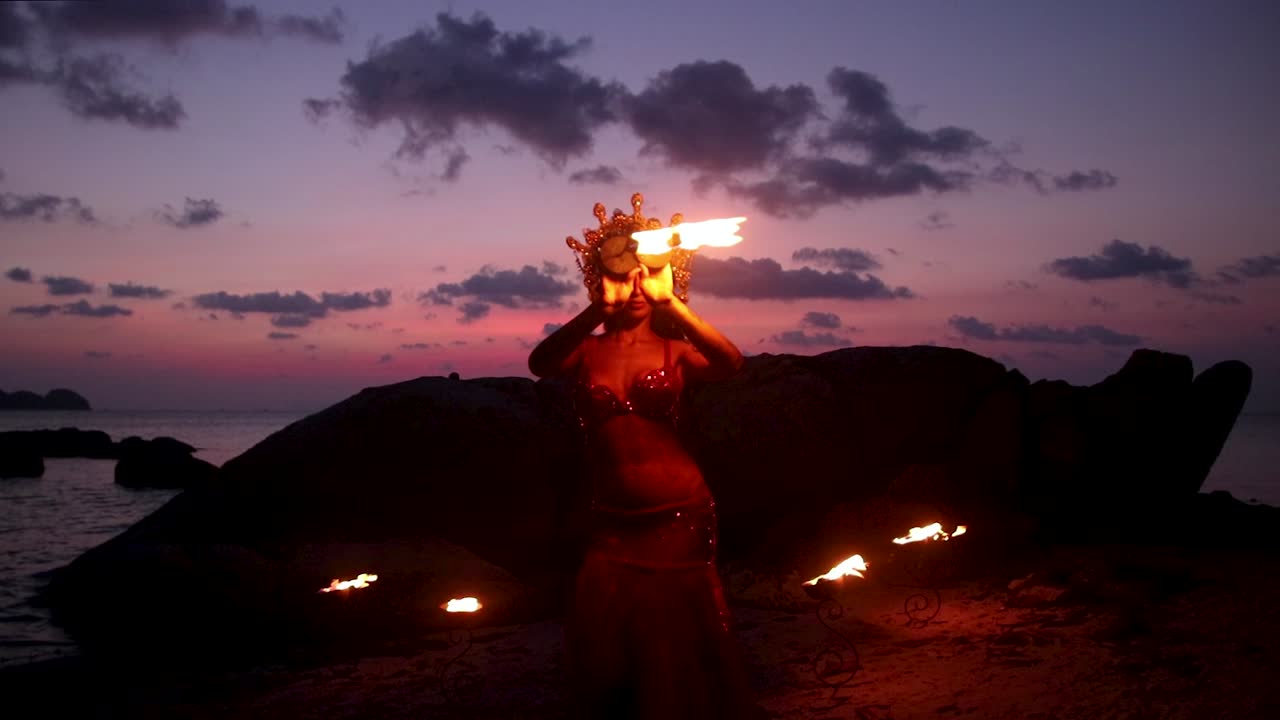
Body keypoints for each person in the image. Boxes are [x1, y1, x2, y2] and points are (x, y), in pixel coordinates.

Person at [528, 194, 755, 719]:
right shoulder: (587, 350)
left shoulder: (676, 350)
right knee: (606, 632)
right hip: (611, 519)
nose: (634, 288)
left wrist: (671, 303)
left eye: (644, 275)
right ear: (600, 278)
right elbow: (541, 363)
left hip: (681, 511)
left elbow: (731, 363)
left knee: (677, 636)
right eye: (622, 274)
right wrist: (596, 311)